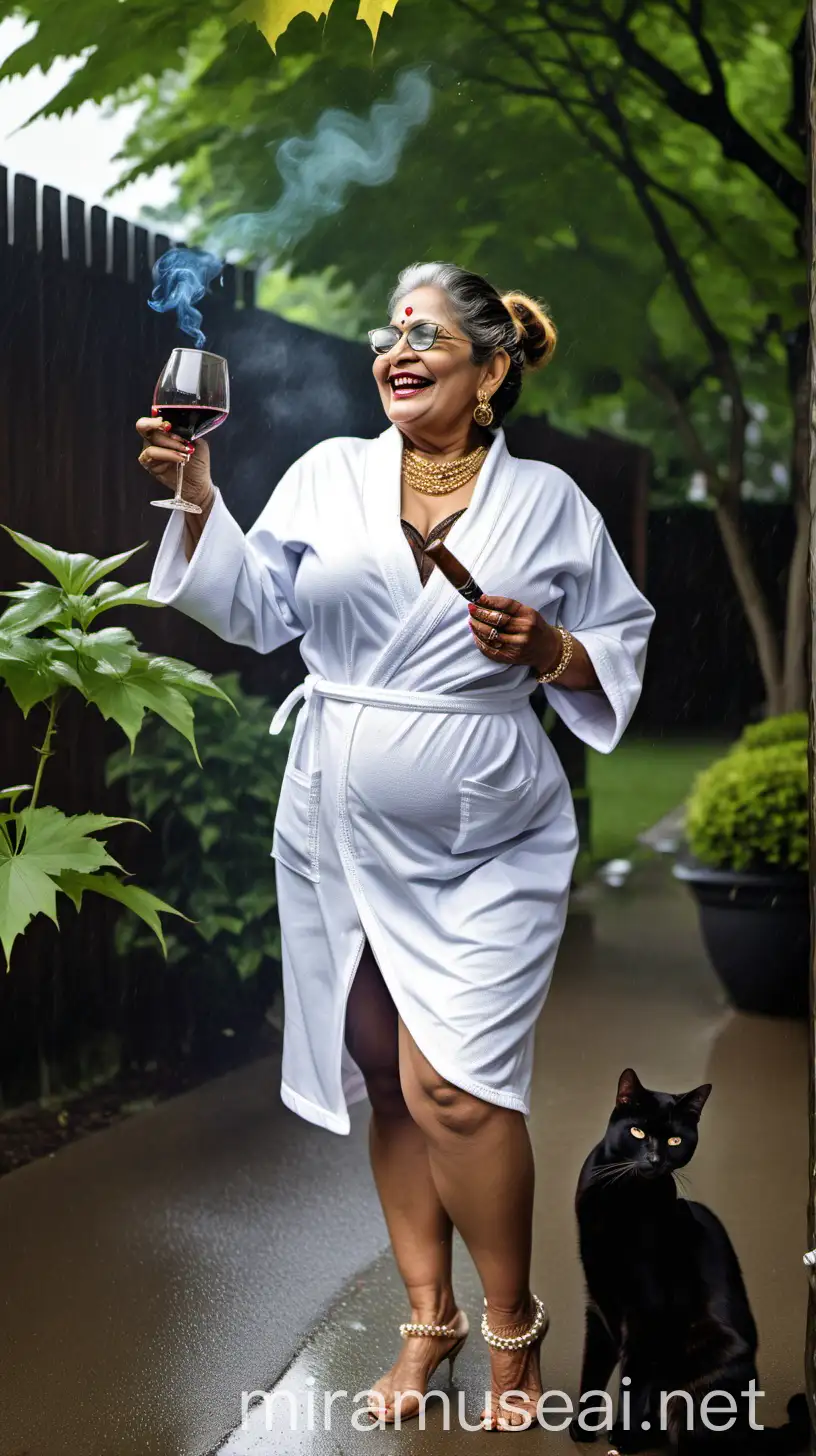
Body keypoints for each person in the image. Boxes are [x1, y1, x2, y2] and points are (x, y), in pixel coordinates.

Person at [137, 261, 655, 1432]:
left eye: (424, 332)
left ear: (490, 370)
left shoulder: (553, 505)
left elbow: (617, 642)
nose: (395, 346)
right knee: (385, 1069)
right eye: (388, 331)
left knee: (455, 1089)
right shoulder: (329, 475)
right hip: (337, 818)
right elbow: (260, 608)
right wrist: (200, 506)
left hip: (493, 836)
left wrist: (551, 650)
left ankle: (514, 1326)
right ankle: (430, 1318)